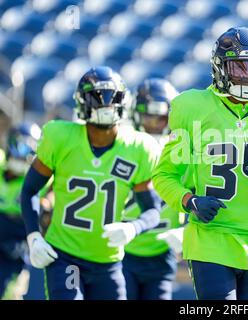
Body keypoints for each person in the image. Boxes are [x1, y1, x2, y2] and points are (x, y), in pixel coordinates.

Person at [153, 27, 248, 300]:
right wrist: (190, 201)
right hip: (211, 238)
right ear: (219, 67)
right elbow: (165, 175)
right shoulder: (192, 107)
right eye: (239, 67)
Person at [21, 66, 162, 300]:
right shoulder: (60, 137)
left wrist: (132, 227)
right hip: (66, 256)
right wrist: (34, 236)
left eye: (111, 98)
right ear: (82, 102)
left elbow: (153, 210)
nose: (105, 105)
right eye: (98, 99)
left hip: (108, 263)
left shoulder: (138, 148)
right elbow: (29, 190)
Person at [122, 78, 185, 300]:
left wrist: (187, 229)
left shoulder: (182, 149)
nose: (155, 123)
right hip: (123, 248)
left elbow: (198, 192)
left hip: (162, 250)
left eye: (161, 117)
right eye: (148, 115)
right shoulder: (125, 145)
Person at [0, 123, 41, 298]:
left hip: (16, 246)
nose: (24, 153)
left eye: (29, 148)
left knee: (11, 292)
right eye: (22, 146)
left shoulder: (37, 179)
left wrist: (47, 203)